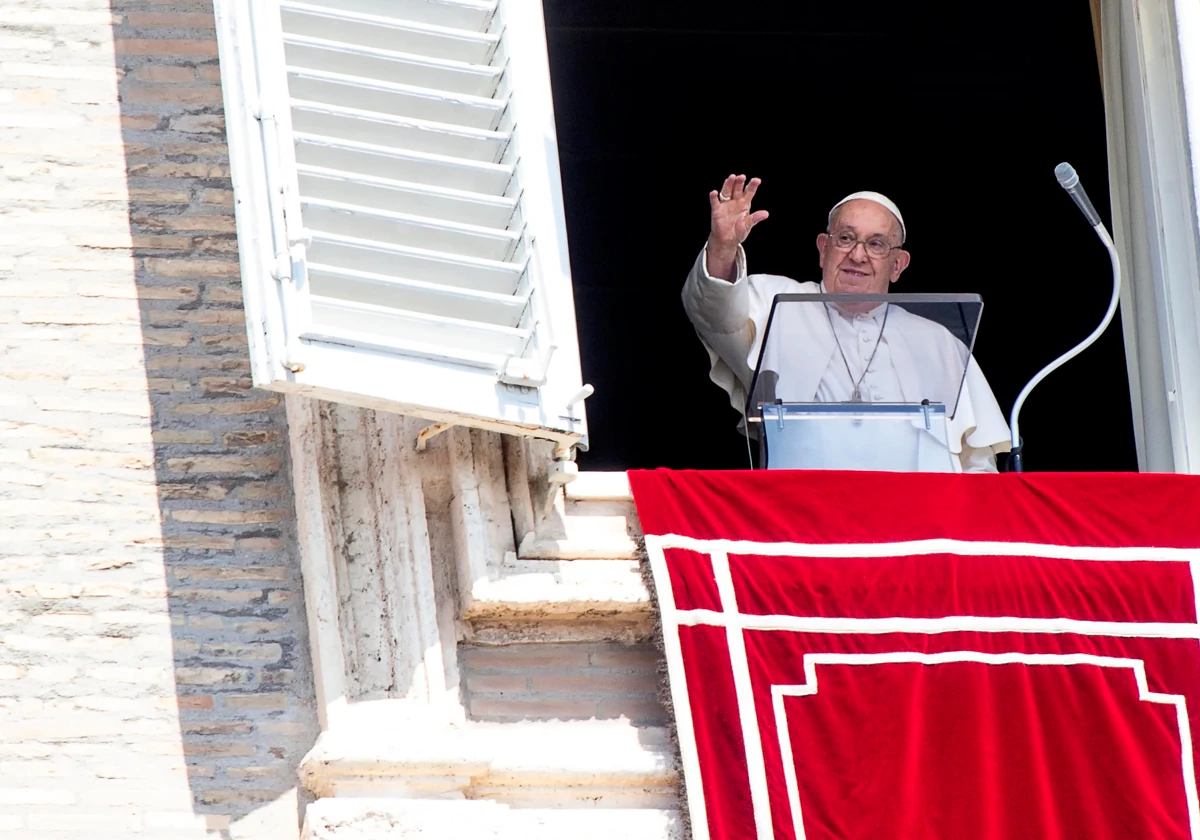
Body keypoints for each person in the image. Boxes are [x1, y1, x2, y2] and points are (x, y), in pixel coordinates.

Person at [681, 173, 1011, 472]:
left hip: (921, 527)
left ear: (898, 265)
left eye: (876, 244)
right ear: (823, 249)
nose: (857, 255)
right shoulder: (774, 301)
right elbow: (716, 315)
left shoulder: (938, 341)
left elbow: (977, 462)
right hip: (805, 517)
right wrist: (723, 248)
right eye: (845, 238)